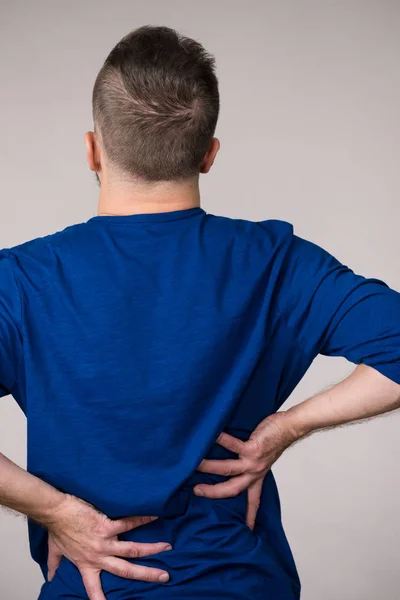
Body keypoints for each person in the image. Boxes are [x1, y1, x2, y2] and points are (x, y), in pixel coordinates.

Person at [1, 24, 399, 600]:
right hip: (240, 582)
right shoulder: (277, 263)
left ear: (92, 147)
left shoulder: (23, 281)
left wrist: (56, 510)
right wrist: (287, 427)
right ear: (209, 155)